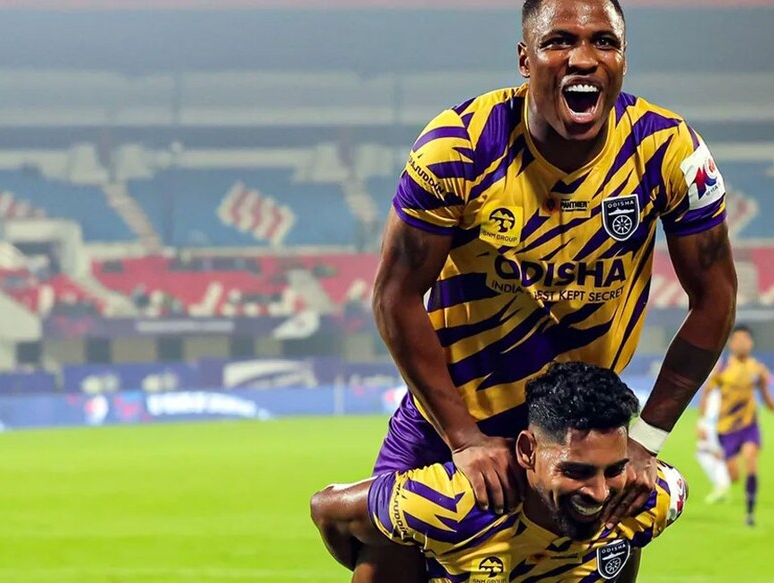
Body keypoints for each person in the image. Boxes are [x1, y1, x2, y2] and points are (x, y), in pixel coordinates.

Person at [368, 0, 737, 579]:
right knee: (380, 558)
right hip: (455, 420)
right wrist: (463, 439)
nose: (584, 59)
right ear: (524, 58)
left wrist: (645, 438)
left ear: (623, 59)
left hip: (586, 436)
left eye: (604, 43)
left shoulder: (668, 150)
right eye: (560, 40)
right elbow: (393, 294)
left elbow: (716, 296)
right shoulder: (458, 146)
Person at [311, 362, 688, 583]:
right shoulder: (447, 503)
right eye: (577, 471)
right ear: (527, 451)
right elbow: (326, 508)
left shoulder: (648, 496)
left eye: (614, 470)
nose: (600, 492)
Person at [697, 325, 774, 526]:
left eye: (746, 340)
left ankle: (750, 512)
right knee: (734, 475)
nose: (742, 344)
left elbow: (765, 393)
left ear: (751, 343)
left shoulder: (758, 369)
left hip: (749, 425)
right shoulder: (723, 367)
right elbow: (707, 392)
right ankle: (731, 481)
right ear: (731, 343)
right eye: (738, 340)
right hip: (726, 429)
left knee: (751, 462)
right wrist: (702, 423)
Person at [694, 379, 730, 505]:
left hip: (715, 428)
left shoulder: (718, 392)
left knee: (713, 455)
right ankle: (722, 486)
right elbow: (704, 410)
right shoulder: (712, 392)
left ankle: (722, 486)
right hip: (710, 426)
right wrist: (701, 423)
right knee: (705, 454)